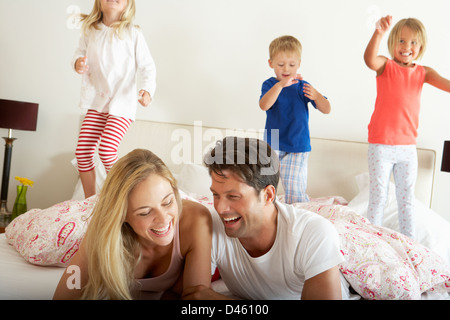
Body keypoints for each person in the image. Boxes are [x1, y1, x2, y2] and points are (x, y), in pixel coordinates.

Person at [183, 137, 344, 300]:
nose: (220, 208)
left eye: (233, 196)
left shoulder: (312, 233)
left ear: (268, 195)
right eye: (216, 195)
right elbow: (194, 298)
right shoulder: (209, 225)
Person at [53, 149, 212, 300]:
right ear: (122, 215)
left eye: (168, 202)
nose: (163, 220)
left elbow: (195, 301)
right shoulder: (103, 231)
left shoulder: (196, 220)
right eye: (145, 212)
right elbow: (66, 292)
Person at [364, 15, 450, 238]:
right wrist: (378, 32)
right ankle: (371, 241)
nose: (407, 47)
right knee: (378, 196)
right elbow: (369, 59)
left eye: (413, 42)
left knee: (407, 200)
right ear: (392, 41)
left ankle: (409, 244)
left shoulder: (424, 73)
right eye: (401, 41)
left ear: (421, 46)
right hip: (380, 146)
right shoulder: (385, 65)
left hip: (407, 150)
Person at [73, 0, 156, 198]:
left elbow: (148, 67)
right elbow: (78, 54)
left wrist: (147, 91)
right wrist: (78, 63)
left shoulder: (133, 33)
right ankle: (91, 201)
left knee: (107, 150)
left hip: (122, 103)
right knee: (82, 152)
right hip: (98, 102)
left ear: (128, 4)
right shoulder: (90, 30)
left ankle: (122, 197)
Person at [259, 35, 331, 204]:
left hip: (297, 144)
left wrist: (317, 95)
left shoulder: (302, 86)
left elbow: (327, 109)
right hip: (273, 141)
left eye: (291, 65)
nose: (286, 69)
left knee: (294, 186)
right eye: (280, 64)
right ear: (271, 64)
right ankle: (267, 212)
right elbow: (264, 105)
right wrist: (280, 85)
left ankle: (297, 213)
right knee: (265, 182)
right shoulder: (269, 85)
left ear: (298, 64)